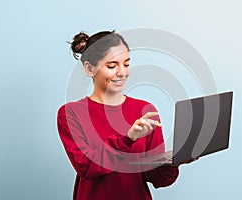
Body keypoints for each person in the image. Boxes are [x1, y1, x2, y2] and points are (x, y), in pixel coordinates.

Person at [57, 30, 185, 200]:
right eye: (112, 66)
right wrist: (127, 139)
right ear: (89, 68)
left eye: (126, 64)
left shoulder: (145, 111)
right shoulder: (70, 113)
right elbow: (86, 167)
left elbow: (155, 177)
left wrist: (172, 163)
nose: (122, 72)